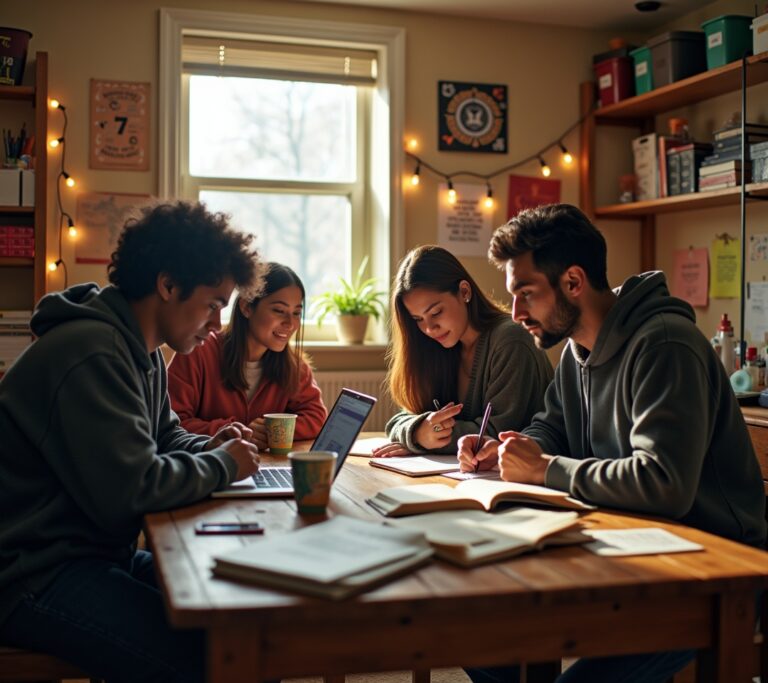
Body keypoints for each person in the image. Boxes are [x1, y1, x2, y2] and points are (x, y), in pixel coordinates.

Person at [458, 203, 766, 683]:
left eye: (526, 293)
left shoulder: (666, 346)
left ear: (574, 282)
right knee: (482, 643)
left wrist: (545, 469)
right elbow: (552, 428)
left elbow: (663, 483)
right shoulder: (576, 348)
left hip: (714, 571)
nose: (515, 313)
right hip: (626, 541)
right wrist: (510, 448)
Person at [0, 201, 264, 683]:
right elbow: (131, 490)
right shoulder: (92, 352)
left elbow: (163, 437)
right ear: (167, 285)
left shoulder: (138, 351)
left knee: (248, 629)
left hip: (88, 554)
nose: (217, 325)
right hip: (31, 575)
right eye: (212, 304)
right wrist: (223, 465)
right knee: (220, 662)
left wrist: (209, 448)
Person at [377, 244, 553, 457]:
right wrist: (417, 432)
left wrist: (426, 436)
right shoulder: (439, 346)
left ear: (464, 292)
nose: (429, 329)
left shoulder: (511, 341)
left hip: (516, 479)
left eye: (436, 312)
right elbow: (401, 418)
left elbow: (496, 434)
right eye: (418, 320)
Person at [168, 262, 327, 448]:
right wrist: (238, 431)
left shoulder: (294, 365)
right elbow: (174, 423)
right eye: (279, 310)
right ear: (246, 307)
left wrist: (272, 430)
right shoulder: (197, 351)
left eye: (297, 313)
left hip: (266, 466)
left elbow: (316, 418)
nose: (290, 323)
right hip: (213, 465)